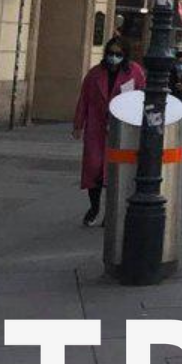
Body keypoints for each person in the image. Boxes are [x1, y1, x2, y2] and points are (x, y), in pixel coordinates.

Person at [73, 38, 145, 227]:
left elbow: (141, 97)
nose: (114, 57)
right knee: (94, 169)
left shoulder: (135, 72)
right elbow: (84, 99)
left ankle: (111, 212)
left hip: (122, 128)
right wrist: (78, 125)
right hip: (96, 128)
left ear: (125, 55)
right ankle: (94, 207)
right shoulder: (95, 74)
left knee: (114, 172)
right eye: (111, 53)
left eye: (118, 54)